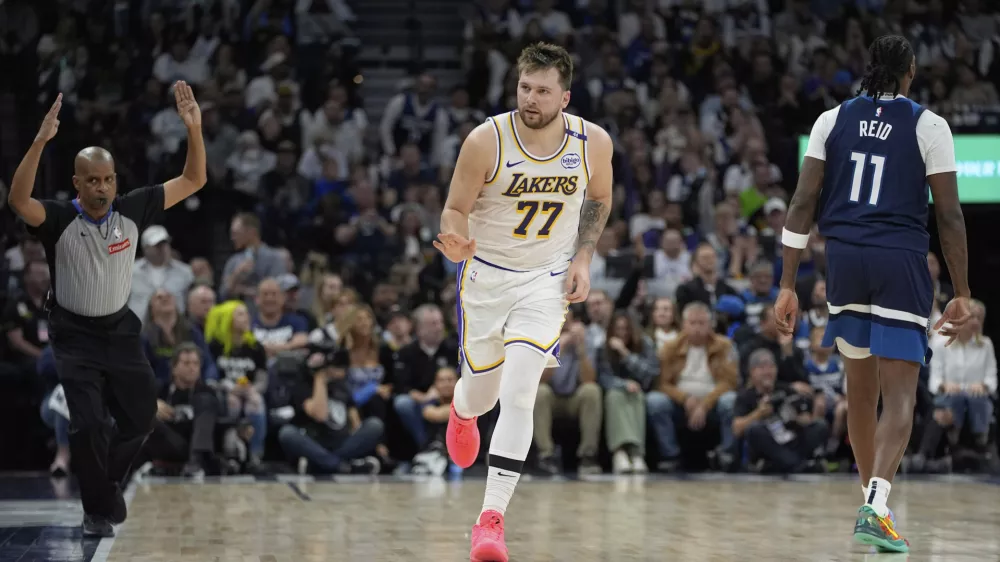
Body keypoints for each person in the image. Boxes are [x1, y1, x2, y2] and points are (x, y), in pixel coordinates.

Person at [774, 35, 970, 553]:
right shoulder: (929, 124)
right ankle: (877, 505)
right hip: (899, 259)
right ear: (909, 73)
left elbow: (800, 203)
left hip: (843, 259)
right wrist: (964, 292)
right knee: (899, 394)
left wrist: (787, 283)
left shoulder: (831, 119)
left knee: (860, 391)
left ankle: (872, 504)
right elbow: (948, 216)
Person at [432, 42, 613, 561]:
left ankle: (490, 521)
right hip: (486, 278)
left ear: (565, 96)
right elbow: (453, 210)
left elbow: (599, 199)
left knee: (519, 394)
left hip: (545, 279)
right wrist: (454, 238)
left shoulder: (591, 142)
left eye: (542, 91)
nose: (530, 99)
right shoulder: (485, 139)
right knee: (483, 396)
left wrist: (582, 258)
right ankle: (461, 411)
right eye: (524, 88)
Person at [6, 82, 206, 537]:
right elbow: (18, 201)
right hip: (73, 334)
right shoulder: (58, 219)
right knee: (90, 423)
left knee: (141, 419)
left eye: (108, 178)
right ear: (78, 182)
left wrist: (194, 129)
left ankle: (104, 488)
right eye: (91, 180)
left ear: (116, 180)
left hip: (119, 330)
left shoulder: (134, 208)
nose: (101, 187)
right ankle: (97, 509)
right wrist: (40, 142)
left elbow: (194, 180)